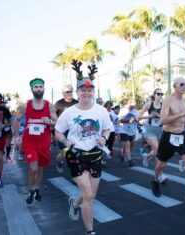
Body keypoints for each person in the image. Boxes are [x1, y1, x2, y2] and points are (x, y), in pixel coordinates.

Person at [55, 60, 111, 235]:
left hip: (95, 154)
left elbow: (108, 128)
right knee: (87, 193)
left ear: (93, 92)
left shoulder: (101, 110)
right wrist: (65, 142)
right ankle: (90, 231)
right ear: (78, 92)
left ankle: (75, 203)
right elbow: (58, 131)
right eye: (83, 90)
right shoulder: (69, 112)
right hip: (76, 155)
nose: (86, 93)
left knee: (90, 196)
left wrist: (104, 137)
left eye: (89, 90)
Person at [151, 77, 185, 203]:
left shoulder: (184, 101)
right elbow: (163, 120)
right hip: (168, 136)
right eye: (182, 84)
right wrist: (182, 114)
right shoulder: (167, 100)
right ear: (175, 86)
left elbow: (183, 120)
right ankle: (155, 181)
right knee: (162, 164)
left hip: (181, 135)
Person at [14, 78, 57, 205]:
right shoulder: (25, 105)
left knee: (40, 167)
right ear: (32, 89)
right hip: (29, 141)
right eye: (36, 87)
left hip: (44, 142)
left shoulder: (49, 105)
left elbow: (57, 122)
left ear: (44, 89)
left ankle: (37, 188)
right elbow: (16, 120)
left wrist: (49, 122)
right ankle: (30, 190)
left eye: (40, 86)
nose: (38, 89)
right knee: (33, 167)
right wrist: (17, 135)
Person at [54, 84, 78, 173]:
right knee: (63, 149)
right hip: (62, 131)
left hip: (74, 130)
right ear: (63, 93)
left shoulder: (76, 103)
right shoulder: (58, 103)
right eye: (67, 92)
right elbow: (54, 117)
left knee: (75, 151)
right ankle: (59, 159)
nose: (70, 93)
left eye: (71, 91)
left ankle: (76, 174)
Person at [118, 101, 138, 167]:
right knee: (127, 144)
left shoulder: (136, 112)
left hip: (132, 131)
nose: (132, 108)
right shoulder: (123, 111)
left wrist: (138, 121)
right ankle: (130, 160)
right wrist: (129, 120)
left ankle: (122, 154)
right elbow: (120, 120)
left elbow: (138, 120)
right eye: (131, 107)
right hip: (123, 130)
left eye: (133, 107)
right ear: (127, 105)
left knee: (128, 145)